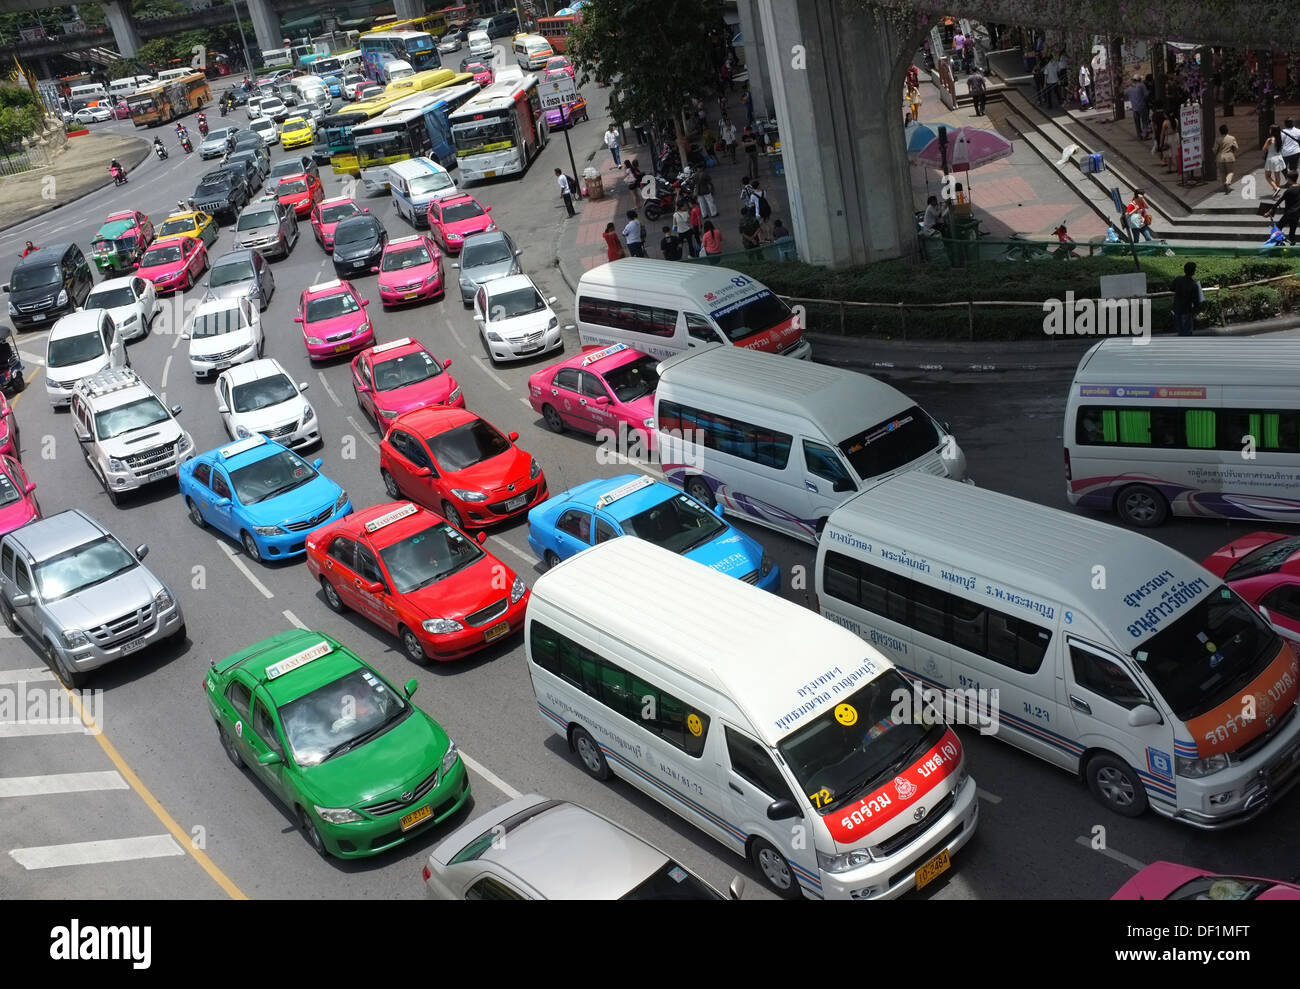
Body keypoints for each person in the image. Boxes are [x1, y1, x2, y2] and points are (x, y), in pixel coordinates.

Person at [1171, 261, 1201, 336]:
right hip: (1186, 310)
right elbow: (1196, 301)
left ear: (1184, 270)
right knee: (1187, 331)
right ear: (1194, 271)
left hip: (1176, 308)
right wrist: (1196, 310)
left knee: (1180, 330)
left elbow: (1171, 288)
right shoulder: (1193, 285)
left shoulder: (1178, 279)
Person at [1213, 124, 1239, 193]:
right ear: (1227, 130)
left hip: (1220, 158)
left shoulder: (1217, 139)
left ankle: (1225, 185)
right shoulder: (1232, 138)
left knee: (1222, 172)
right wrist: (1232, 151)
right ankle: (1227, 182)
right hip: (1229, 157)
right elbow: (1236, 147)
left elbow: (1215, 150)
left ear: (1220, 131)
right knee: (1230, 172)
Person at [1264, 125, 1287, 193]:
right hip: (1279, 158)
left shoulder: (1270, 139)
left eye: (1270, 129)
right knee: (1277, 176)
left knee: (1267, 176)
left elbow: (1264, 149)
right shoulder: (1280, 138)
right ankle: (1276, 190)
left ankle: (1276, 188)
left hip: (1271, 158)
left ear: (1272, 131)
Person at [1279, 172, 1300, 244]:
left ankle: (1279, 244)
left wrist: (1269, 212)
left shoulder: (1289, 190)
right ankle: (1293, 247)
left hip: (1288, 214)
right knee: (1292, 233)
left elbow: (1279, 202)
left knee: (1278, 228)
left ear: (1289, 179)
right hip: (1296, 214)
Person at [1126, 76, 1149, 140]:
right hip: (1142, 106)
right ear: (1139, 79)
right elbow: (1146, 94)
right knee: (1144, 122)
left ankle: (1139, 136)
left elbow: (1129, 97)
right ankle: (1144, 136)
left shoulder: (1129, 88)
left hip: (1134, 107)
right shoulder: (1141, 85)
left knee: (1137, 123)